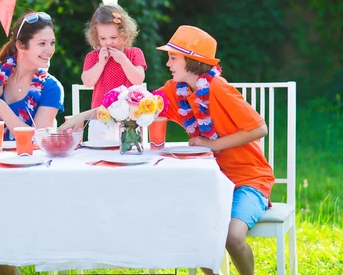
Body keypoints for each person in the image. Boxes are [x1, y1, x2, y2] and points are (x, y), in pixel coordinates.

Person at [62, 25, 274, 275]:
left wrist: (213, 144)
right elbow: (132, 104)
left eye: (173, 58)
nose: (168, 63)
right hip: (211, 179)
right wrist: (84, 116)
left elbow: (260, 128)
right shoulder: (175, 91)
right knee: (198, 231)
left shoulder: (218, 88)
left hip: (249, 180)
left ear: (192, 61)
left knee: (232, 237)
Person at [0, 12, 64, 140]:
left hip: (30, 159)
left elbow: (38, 140)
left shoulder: (52, 88)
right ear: (20, 46)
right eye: (42, 43)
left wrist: (0, 106)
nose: (50, 50)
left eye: (52, 43)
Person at [81, 3, 146, 109]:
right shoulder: (93, 57)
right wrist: (100, 64)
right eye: (103, 38)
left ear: (124, 33)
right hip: (101, 113)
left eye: (113, 37)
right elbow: (87, 82)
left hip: (129, 114)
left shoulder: (134, 53)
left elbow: (138, 80)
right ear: (96, 37)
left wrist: (123, 60)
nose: (108, 42)